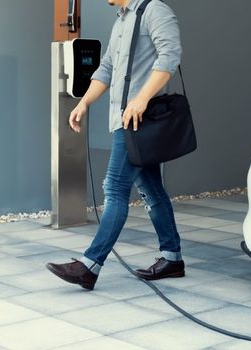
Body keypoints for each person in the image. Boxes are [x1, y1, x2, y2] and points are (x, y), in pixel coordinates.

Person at [46, 0, 184, 290]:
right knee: (150, 187)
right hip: (125, 119)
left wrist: (141, 98)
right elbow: (106, 67)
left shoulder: (154, 10)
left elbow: (169, 57)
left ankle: (90, 265)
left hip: (139, 119)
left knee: (115, 188)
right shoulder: (121, 20)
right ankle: (172, 258)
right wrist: (83, 103)